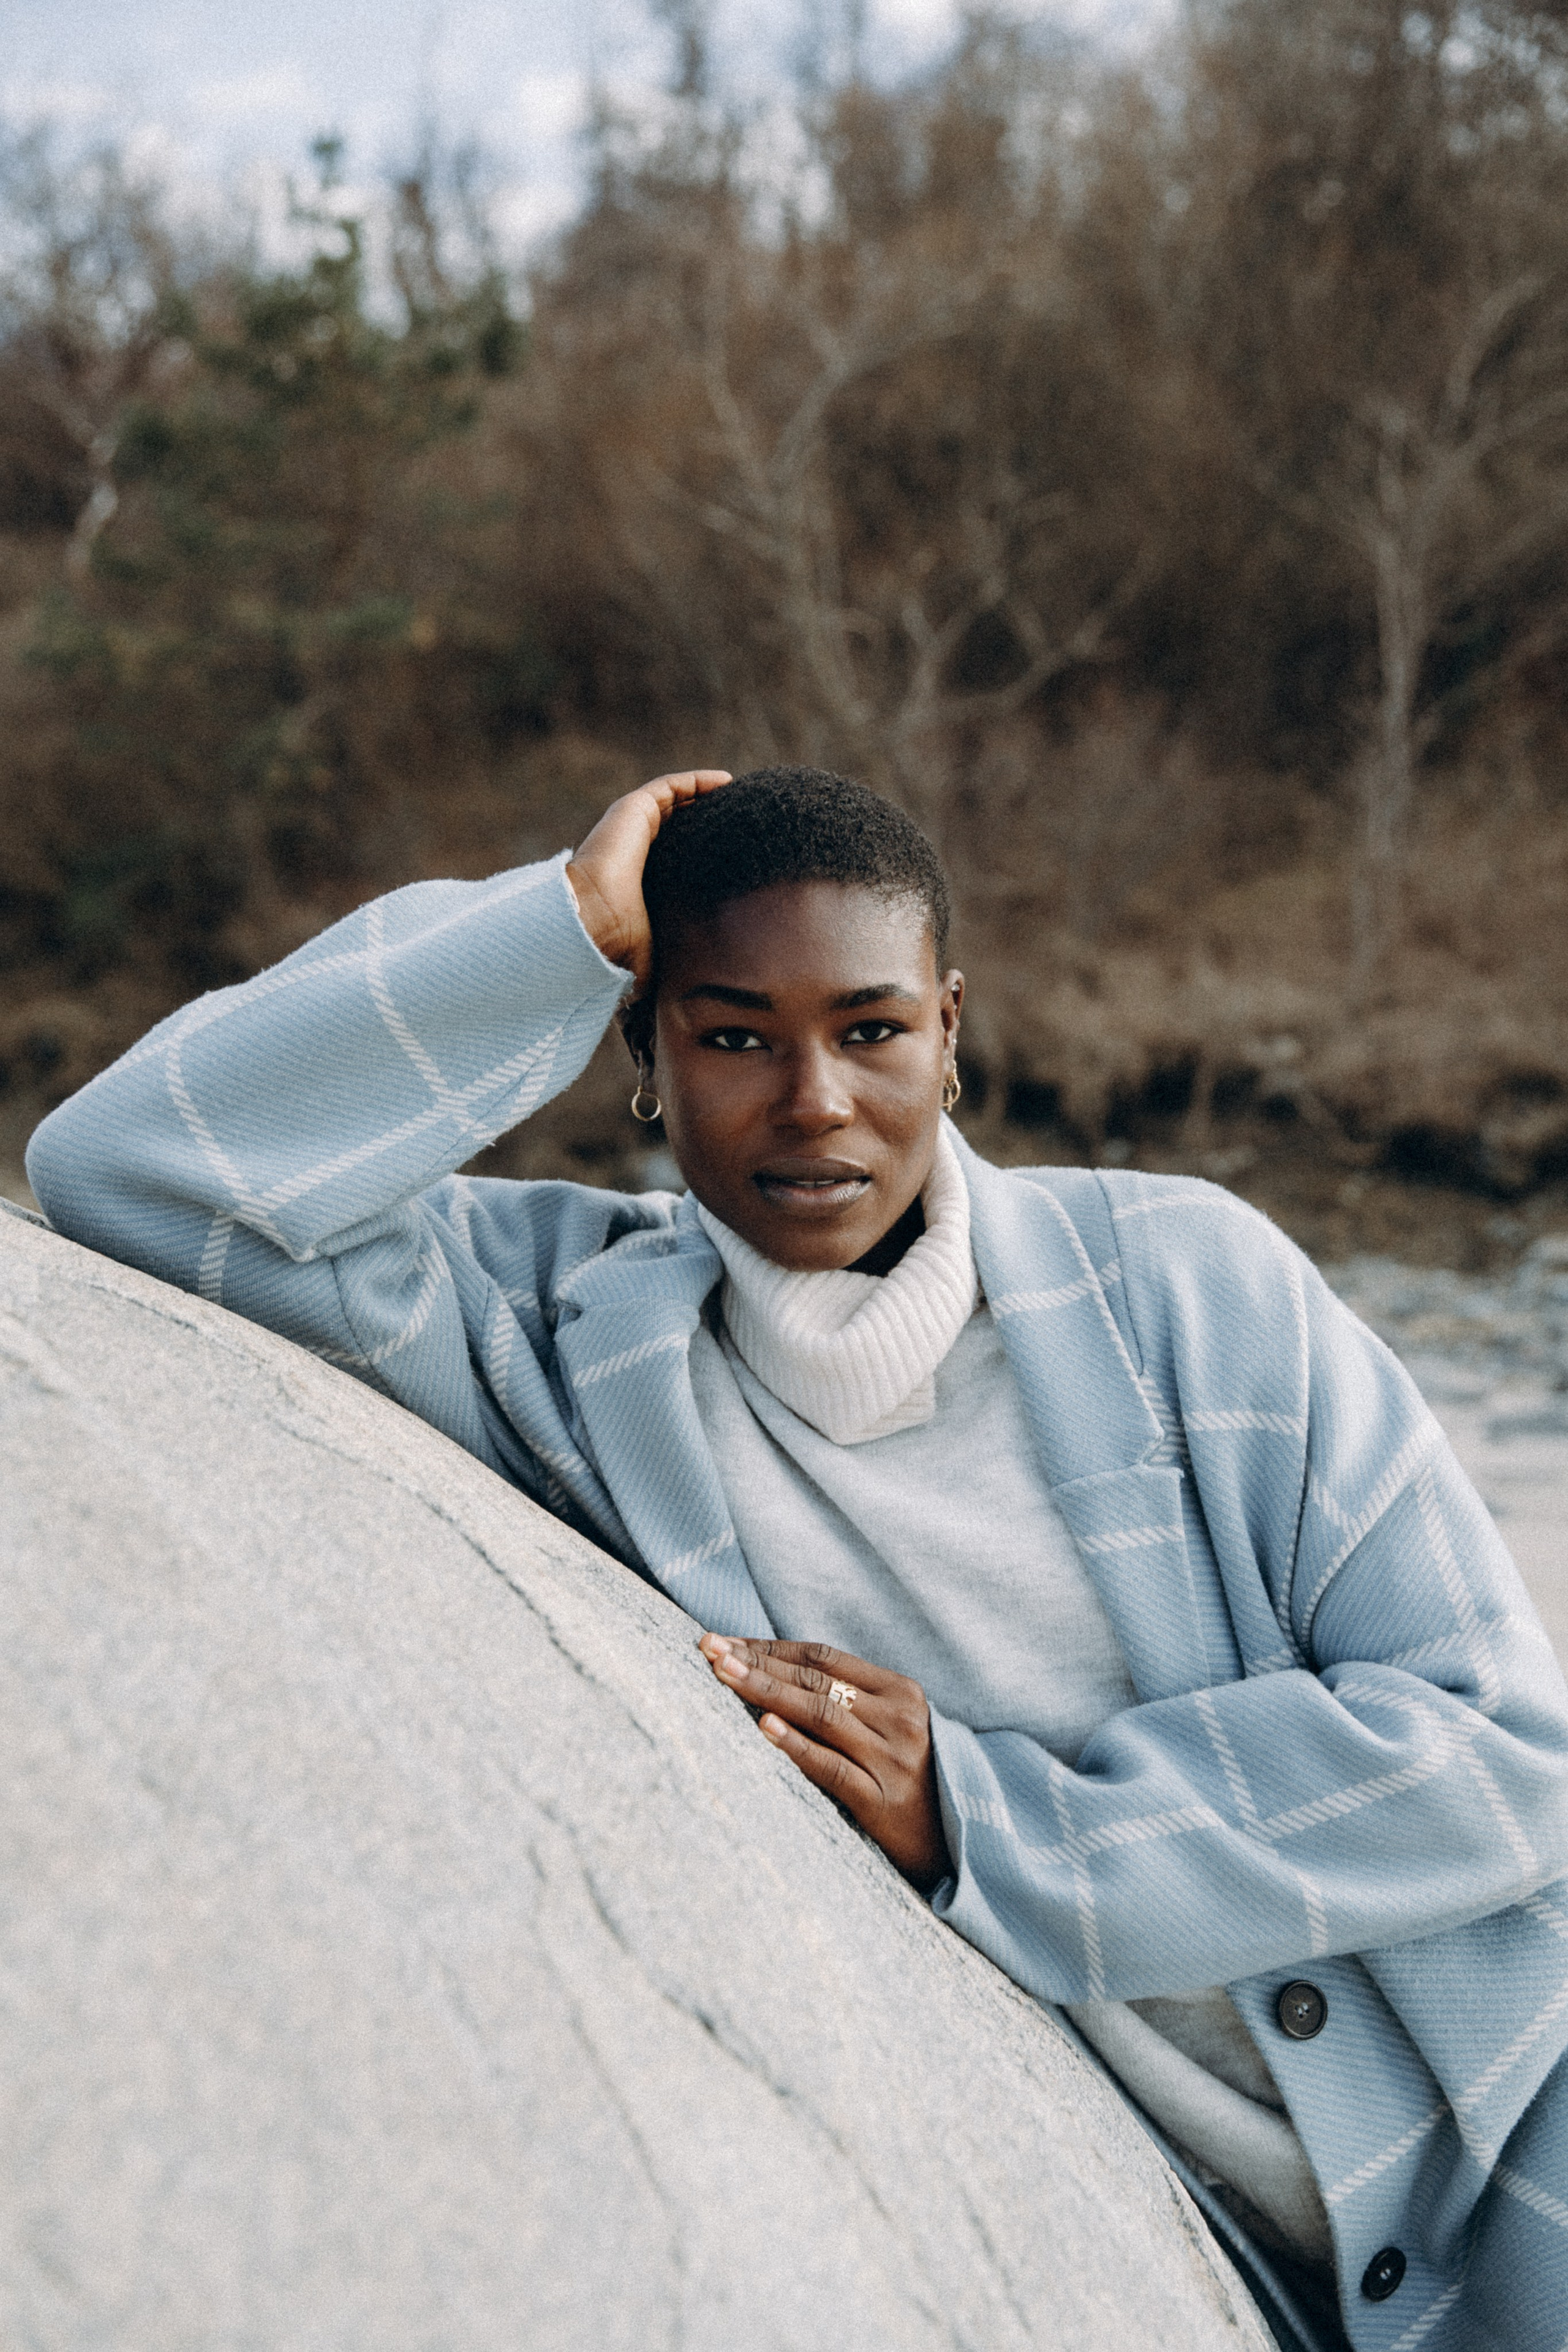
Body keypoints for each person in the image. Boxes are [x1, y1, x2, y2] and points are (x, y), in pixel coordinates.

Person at [26, 764, 1568, 2352]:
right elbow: (134, 1167)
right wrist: (556, 929)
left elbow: (1504, 1754)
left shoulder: (1193, 1287)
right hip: (1201, 2251)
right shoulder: (564, 1339)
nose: (815, 1099)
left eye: (872, 1030)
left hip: (1513, 2164)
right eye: (736, 1034)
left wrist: (992, 1820)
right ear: (646, 1053)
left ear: (952, 1035)